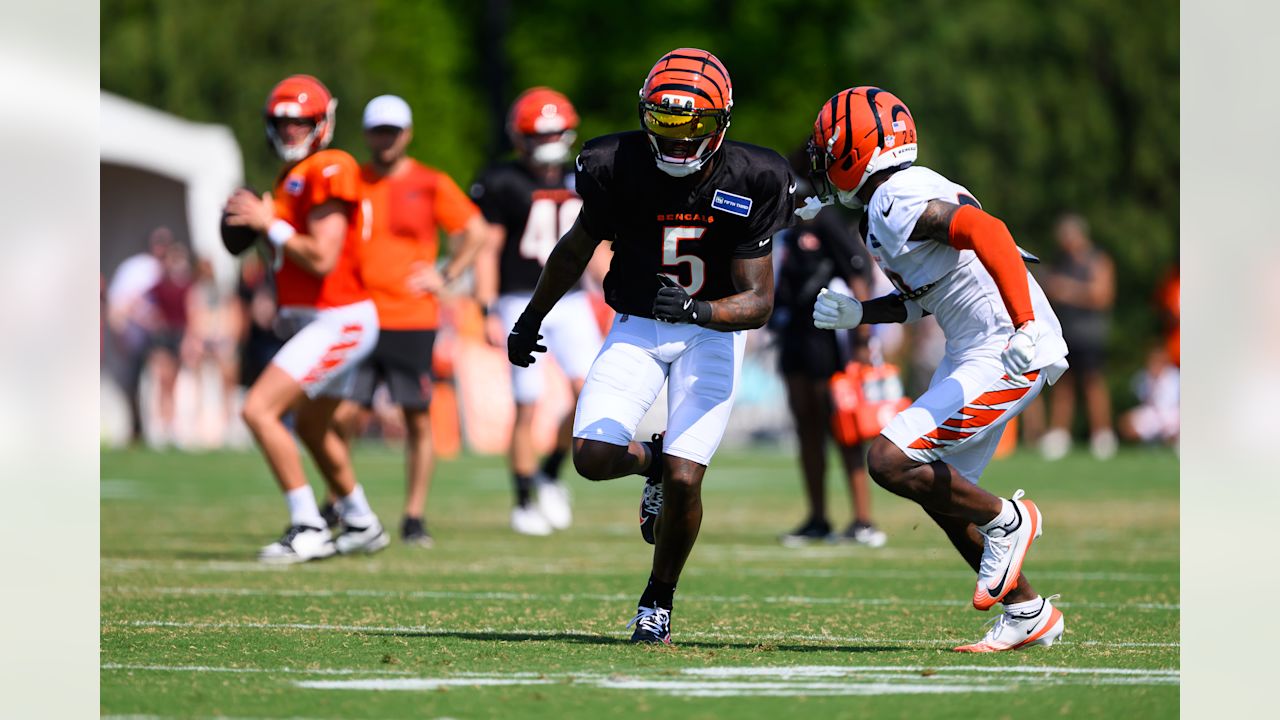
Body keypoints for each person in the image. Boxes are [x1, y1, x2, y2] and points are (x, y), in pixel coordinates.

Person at [507, 48, 794, 644]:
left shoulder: (754, 177)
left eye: (694, 123)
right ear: (645, 114)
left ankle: (656, 601)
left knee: (688, 480)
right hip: (638, 323)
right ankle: (654, 462)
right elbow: (575, 248)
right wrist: (531, 318)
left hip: (713, 331)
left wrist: (698, 310)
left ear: (722, 122)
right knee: (591, 457)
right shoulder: (613, 164)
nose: (680, 137)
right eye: (666, 120)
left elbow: (758, 302)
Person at [805, 86, 1069, 652]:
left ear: (854, 152)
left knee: (889, 460)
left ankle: (1010, 519)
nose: (823, 165)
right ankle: (1027, 612)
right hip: (976, 345)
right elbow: (923, 298)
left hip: (1005, 345)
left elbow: (989, 232)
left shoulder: (893, 197)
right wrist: (859, 313)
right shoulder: (890, 203)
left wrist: (1024, 325)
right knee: (941, 490)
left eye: (828, 152)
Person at [222, 74, 388, 563]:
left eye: (300, 121)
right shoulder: (291, 179)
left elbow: (321, 256)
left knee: (258, 410)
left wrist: (268, 223)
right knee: (314, 427)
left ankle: (308, 524)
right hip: (317, 319)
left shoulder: (330, 166)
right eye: (282, 122)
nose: (290, 130)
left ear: (322, 123)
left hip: (339, 318)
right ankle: (360, 521)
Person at [329, 95, 488, 547]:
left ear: (407, 134)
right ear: (367, 134)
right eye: (378, 131)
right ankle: (338, 502)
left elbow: (475, 231)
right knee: (344, 416)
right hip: (358, 315)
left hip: (411, 318)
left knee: (417, 417)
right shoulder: (351, 181)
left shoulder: (429, 182)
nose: (385, 140)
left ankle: (414, 516)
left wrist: (447, 274)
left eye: (392, 131)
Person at [471, 87, 608, 536]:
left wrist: (616, 293)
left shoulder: (582, 177)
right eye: (539, 133)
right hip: (519, 299)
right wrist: (487, 307)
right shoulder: (503, 181)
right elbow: (488, 249)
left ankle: (550, 472)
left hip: (571, 300)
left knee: (589, 393)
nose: (547, 142)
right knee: (527, 403)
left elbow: (597, 248)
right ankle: (524, 499)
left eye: (552, 133)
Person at [772, 197, 885, 547]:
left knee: (845, 430)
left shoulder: (825, 220)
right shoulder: (785, 225)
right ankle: (817, 519)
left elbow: (858, 275)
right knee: (807, 429)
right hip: (793, 338)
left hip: (826, 341)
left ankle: (863, 520)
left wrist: (862, 340)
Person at [1039, 213, 1117, 460]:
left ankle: (1102, 435)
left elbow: (1102, 295)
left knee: (1093, 383)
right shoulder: (1060, 261)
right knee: (1063, 382)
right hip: (1064, 331)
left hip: (1090, 332)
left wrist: (1067, 290)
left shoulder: (1097, 259)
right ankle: (1059, 434)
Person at [105, 227, 174, 444]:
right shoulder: (139, 268)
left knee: (161, 379)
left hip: (158, 335)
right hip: (136, 334)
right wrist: (122, 332)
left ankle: (162, 429)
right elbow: (122, 303)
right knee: (134, 382)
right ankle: (138, 428)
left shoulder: (168, 269)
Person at [1117, 347, 1179, 448]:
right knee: (1126, 422)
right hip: (1151, 414)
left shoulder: (1174, 377)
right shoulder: (1142, 378)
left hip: (1171, 414)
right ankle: (1152, 442)